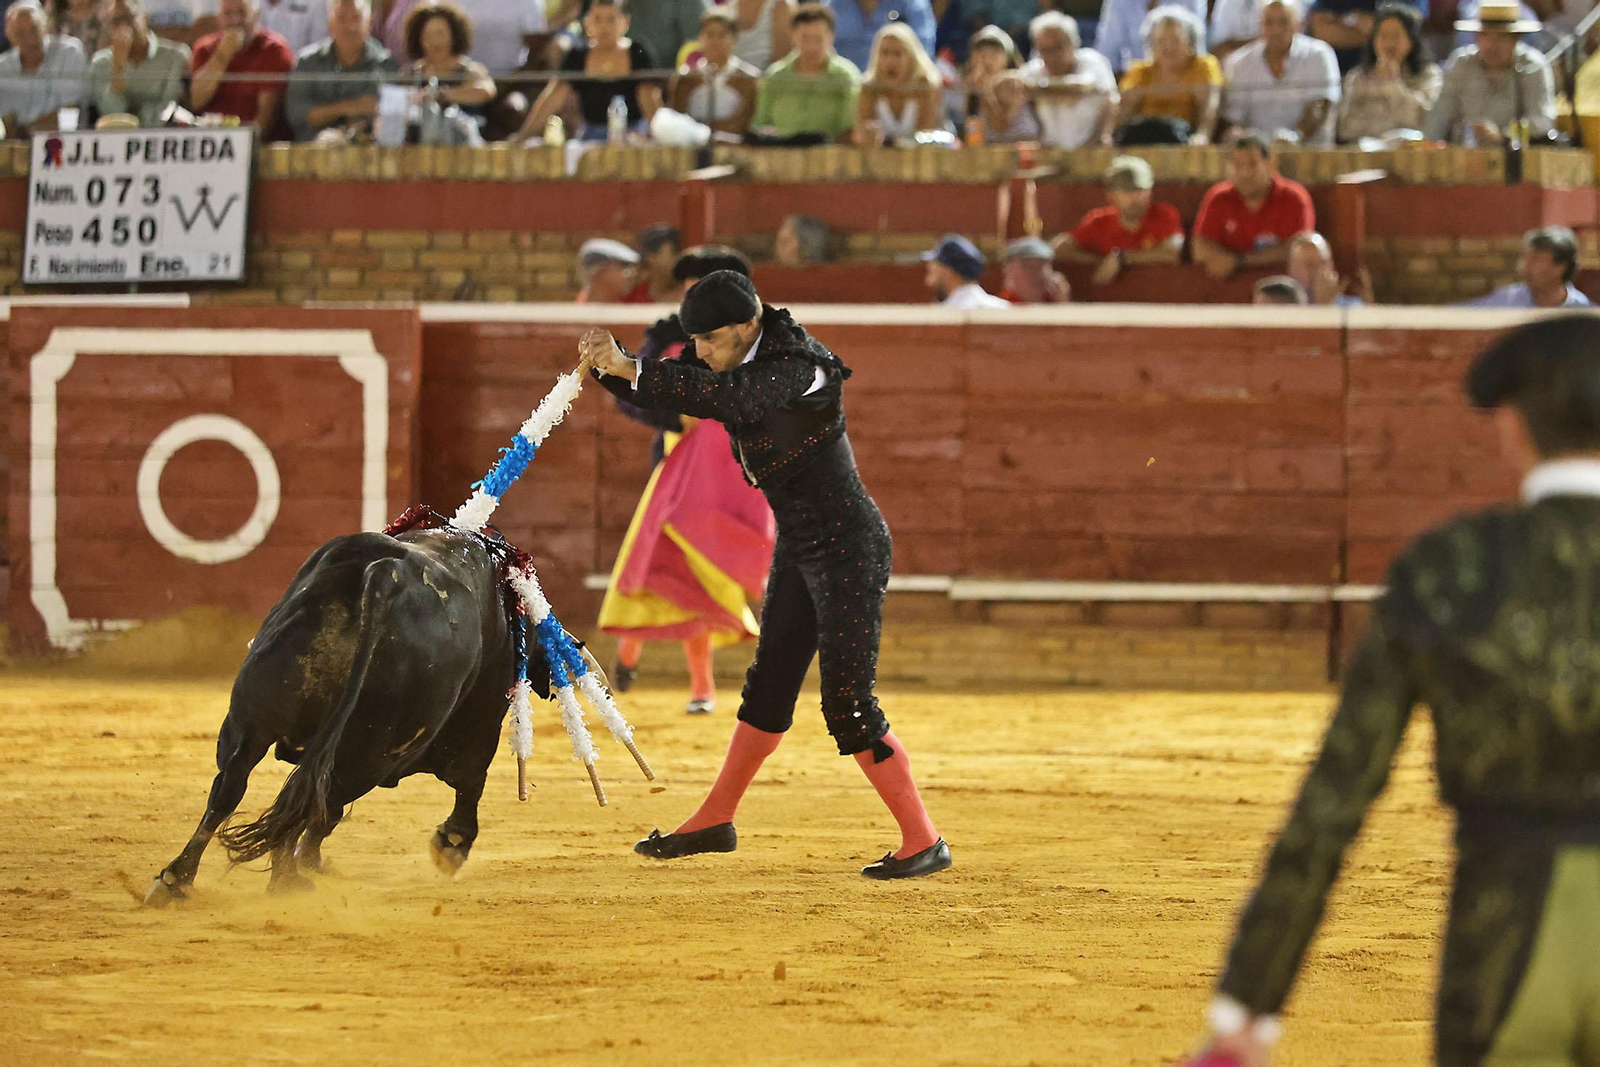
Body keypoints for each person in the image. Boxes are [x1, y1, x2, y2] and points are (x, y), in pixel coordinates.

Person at [1190, 312, 1600, 1067]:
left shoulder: (1454, 569)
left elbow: (1336, 796)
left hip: (1509, 936)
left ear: (1511, 425)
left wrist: (1246, 1008)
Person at [583, 271, 953, 880]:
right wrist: (609, 368)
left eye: (710, 341)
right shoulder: (745, 359)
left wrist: (634, 367)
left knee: (848, 704)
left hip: (848, 551)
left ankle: (923, 838)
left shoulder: (799, 367)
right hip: (802, 548)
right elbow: (696, 390)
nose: (699, 352)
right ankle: (714, 818)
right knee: (768, 688)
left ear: (747, 327)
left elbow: (730, 399)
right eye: (694, 340)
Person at [600, 247, 776, 718]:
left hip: (725, 475)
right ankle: (633, 654)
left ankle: (699, 686)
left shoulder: (756, 344)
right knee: (661, 570)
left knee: (697, 577)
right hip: (677, 466)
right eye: (689, 286)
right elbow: (634, 398)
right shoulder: (669, 338)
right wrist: (675, 412)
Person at [518, 0, 660, 141]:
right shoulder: (578, 55)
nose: (604, 26)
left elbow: (649, 100)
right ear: (587, 23)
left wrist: (660, 135)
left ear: (625, 22)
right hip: (591, 135)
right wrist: (523, 135)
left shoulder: (637, 53)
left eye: (611, 20)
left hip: (633, 133)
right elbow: (553, 98)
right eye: (598, 19)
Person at [1424, 0, 1553, 145]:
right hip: (1466, 154)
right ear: (1477, 36)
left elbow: (1541, 122)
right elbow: (1440, 114)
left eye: (1502, 37)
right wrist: (1428, 143)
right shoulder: (1461, 64)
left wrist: (1504, 135)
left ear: (1517, 39)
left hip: (1515, 155)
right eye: (1486, 35)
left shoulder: (1532, 66)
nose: (1493, 45)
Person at [1191, 131, 1315, 281]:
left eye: (1252, 165)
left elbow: (1298, 248)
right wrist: (1225, 260)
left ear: (1270, 164)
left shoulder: (1293, 197)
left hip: (1283, 293)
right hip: (1227, 293)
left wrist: (1240, 261)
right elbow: (1200, 247)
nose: (1245, 173)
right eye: (1238, 166)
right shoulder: (1218, 197)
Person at [1222, 0, 1342, 144]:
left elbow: (1321, 104)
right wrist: (1240, 138)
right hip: (1257, 158)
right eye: (1269, 23)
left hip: (1310, 154)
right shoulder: (1240, 62)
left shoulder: (1319, 55)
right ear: (1260, 25)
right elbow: (1234, 116)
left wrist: (1295, 137)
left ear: (1298, 24)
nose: (1276, 30)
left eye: (1284, 22)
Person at [1055, 153, 1184, 285]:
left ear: (1150, 191)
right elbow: (1060, 248)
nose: (1135, 197)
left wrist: (1122, 258)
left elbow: (1174, 252)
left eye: (1140, 190)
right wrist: (1101, 261)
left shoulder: (1164, 215)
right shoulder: (1099, 221)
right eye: (1127, 190)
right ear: (1111, 195)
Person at [285, 0, 398, 142]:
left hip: (368, 153)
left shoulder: (386, 64)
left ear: (369, 23)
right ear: (330, 24)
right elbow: (298, 114)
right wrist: (350, 107)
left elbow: (387, 116)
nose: (350, 27)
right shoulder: (307, 62)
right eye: (342, 18)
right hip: (311, 153)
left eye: (356, 18)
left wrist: (333, 120)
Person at [749, 3, 860, 142]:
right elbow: (760, 122)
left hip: (830, 156)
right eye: (805, 38)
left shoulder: (846, 77)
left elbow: (848, 129)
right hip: (780, 155)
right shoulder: (776, 76)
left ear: (831, 36)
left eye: (818, 38)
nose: (811, 46)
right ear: (793, 36)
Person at [1114, 4, 1220, 143]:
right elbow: (1124, 113)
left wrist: (1202, 136)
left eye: (1175, 40)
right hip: (1144, 141)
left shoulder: (1202, 66)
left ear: (1190, 43)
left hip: (1185, 141)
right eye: (1161, 41)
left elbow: (1208, 109)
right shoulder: (1139, 71)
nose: (1168, 47)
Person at [1335, 2, 1441, 140]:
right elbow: (1345, 128)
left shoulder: (1428, 75)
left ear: (1411, 40)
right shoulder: (1357, 78)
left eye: (1396, 36)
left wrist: (1393, 84)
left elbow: (1428, 121)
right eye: (1383, 36)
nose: (1389, 43)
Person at [188, 0, 296, 129]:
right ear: (219, 18)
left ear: (256, 15)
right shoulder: (204, 49)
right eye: (228, 14)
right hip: (212, 136)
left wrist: (246, 143)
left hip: (254, 139)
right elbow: (195, 102)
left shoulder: (274, 49)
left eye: (242, 12)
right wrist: (223, 55)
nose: (235, 20)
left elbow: (267, 114)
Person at [1019, 10, 1117, 148]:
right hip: (1049, 154)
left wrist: (1039, 89)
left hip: (1091, 150)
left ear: (1073, 43)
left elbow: (1083, 87)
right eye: (1045, 50)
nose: (1052, 56)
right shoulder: (1033, 70)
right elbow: (1016, 89)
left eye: (1058, 47)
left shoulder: (1093, 61)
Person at [86, 0, 189, 128]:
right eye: (116, 22)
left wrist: (134, 116)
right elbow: (110, 113)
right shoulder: (100, 63)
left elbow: (169, 106)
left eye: (129, 18)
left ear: (145, 16)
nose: (124, 27)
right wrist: (118, 66)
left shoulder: (175, 56)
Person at [399, 0, 494, 124]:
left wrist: (441, 95)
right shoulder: (410, 74)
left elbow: (486, 92)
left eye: (440, 34)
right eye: (428, 36)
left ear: (454, 36)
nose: (435, 42)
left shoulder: (470, 71)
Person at [0, 1, 88, 136]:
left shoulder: (69, 52)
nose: (29, 40)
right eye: (20, 33)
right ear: (9, 35)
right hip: (19, 145)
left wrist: (27, 131)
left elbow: (70, 111)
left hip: (64, 139)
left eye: (34, 30)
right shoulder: (3, 67)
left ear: (46, 26)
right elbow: (7, 122)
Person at [669, 6, 761, 136]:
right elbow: (678, 120)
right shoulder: (685, 78)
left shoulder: (749, 78)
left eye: (722, 35)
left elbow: (744, 123)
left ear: (734, 39)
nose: (715, 41)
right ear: (700, 38)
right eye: (710, 34)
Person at [853, 20, 945, 143]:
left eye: (897, 53)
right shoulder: (869, 88)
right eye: (884, 53)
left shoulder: (926, 85)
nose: (890, 61)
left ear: (911, 56)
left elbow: (926, 133)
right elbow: (862, 133)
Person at [1464, 225, 1592, 308]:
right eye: (1525, 258)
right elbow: (1463, 315)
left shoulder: (1581, 312)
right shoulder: (1506, 300)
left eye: (1536, 259)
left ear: (1559, 268)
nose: (1525, 266)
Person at [1094, 0, 1205, 74]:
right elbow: (1106, 56)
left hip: (1184, 81)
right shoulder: (1119, 2)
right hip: (1134, 81)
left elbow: (1196, 50)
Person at [828, 0, 936, 71]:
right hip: (842, 90)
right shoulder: (833, 5)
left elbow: (923, 53)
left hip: (899, 93)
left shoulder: (912, 4)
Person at [923, 233, 1009, 308]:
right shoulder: (1002, 306)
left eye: (935, 265)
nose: (930, 265)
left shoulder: (945, 313)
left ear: (948, 270)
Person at [1287, 231, 1372, 304]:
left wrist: (1369, 302)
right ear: (1293, 270)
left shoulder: (1351, 306)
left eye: (1323, 262)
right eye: (1310, 265)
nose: (1320, 270)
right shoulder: (1283, 306)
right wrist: (1322, 305)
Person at [998, 236, 1070, 303]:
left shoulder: (1053, 302)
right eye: (1028, 266)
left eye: (1041, 266)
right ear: (1007, 270)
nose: (1036, 273)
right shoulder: (1001, 307)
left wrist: (1062, 302)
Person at [625, 223, 682, 304]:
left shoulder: (688, 296)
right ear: (651, 257)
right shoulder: (634, 300)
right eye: (673, 253)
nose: (678, 259)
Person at [728, 0, 790, 71]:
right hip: (731, 76)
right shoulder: (728, 8)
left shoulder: (778, 5)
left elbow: (782, 57)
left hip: (766, 75)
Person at [575, 237, 640, 303]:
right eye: (624, 266)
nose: (632, 274)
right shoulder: (578, 310)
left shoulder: (623, 309)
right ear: (600, 271)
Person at [257, 0, 327, 54]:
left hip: (301, 71)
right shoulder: (249, 4)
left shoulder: (317, 3)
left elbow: (319, 50)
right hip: (254, 71)